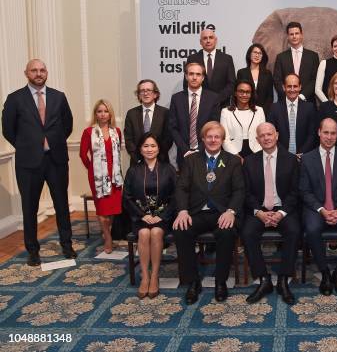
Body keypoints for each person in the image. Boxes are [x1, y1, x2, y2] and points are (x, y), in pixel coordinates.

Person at [1, 59, 76, 266]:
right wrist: (28, 146)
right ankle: (33, 250)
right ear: (26, 73)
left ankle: (67, 245)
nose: (39, 73)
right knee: (30, 207)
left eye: (42, 70)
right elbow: (8, 130)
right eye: (34, 70)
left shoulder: (59, 97)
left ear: (47, 72)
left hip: (56, 159)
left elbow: (67, 125)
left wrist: (53, 142)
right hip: (28, 163)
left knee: (61, 204)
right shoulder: (15, 99)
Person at [173, 121, 245, 304]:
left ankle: (220, 282)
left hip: (222, 212)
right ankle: (193, 282)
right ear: (203, 138)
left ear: (222, 139)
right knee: (181, 230)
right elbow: (181, 188)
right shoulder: (191, 160)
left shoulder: (233, 161)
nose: (213, 140)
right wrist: (182, 211)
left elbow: (239, 190)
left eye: (217, 137)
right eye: (209, 136)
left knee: (227, 232)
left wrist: (231, 211)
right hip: (196, 212)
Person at [299, 118, 337, 296]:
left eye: (333, 133)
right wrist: (322, 210)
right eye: (325, 132)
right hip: (316, 209)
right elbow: (304, 191)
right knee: (312, 230)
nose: (329, 137)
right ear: (319, 132)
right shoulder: (307, 158)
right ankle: (325, 272)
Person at [242, 123, 300, 305]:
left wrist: (281, 213)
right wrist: (258, 212)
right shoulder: (250, 161)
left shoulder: (291, 160)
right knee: (247, 233)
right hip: (259, 210)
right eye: (262, 135)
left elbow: (295, 191)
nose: (266, 138)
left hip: (283, 209)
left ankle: (283, 279)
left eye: (269, 134)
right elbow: (246, 192)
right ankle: (263, 279)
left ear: (277, 135)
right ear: (257, 140)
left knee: (294, 231)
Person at [122, 133, 176, 299]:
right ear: (140, 149)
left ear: (159, 148)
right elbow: (127, 197)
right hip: (140, 217)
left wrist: (163, 215)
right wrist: (141, 215)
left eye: (153, 146)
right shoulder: (133, 170)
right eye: (146, 146)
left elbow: (176, 196)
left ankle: (155, 276)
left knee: (156, 232)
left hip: (163, 217)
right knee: (144, 233)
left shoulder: (169, 169)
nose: (150, 149)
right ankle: (145, 276)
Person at [80, 99, 123, 254]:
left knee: (112, 210)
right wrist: (92, 169)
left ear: (110, 113)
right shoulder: (88, 132)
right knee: (102, 210)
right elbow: (83, 155)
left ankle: (108, 231)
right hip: (98, 177)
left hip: (115, 177)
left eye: (105, 111)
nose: (103, 114)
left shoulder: (116, 131)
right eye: (99, 111)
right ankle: (108, 237)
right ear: (95, 114)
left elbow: (117, 153)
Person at [169, 62, 221, 168]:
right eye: (191, 74)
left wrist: (199, 149)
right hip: (184, 154)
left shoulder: (213, 98)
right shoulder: (176, 98)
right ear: (186, 76)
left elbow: (214, 126)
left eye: (198, 74)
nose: (194, 77)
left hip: (207, 151)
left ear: (202, 78)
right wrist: (185, 150)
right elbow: (173, 128)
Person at [268, 74, 317, 160]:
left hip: (304, 157)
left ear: (300, 87)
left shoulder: (309, 107)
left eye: (295, 86)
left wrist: (302, 153)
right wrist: (285, 154)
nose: (292, 89)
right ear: (283, 87)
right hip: (281, 157)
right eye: (289, 86)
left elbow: (312, 134)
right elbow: (272, 134)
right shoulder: (274, 108)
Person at [124, 79, 171, 166]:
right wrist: (139, 159)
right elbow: (128, 140)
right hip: (137, 163)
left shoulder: (165, 113)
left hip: (160, 163)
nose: (145, 93)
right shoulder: (131, 114)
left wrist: (155, 157)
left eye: (149, 90)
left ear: (155, 94)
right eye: (142, 91)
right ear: (138, 95)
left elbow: (168, 139)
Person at [184, 29, 236, 105]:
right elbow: (187, 83)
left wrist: (218, 99)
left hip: (221, 104)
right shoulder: (192, 59)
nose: (208, 41)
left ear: (215, 40)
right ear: (200, 42)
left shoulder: (227, 59)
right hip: (199, 105)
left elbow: (232, 83)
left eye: (211, 37)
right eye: (205, 38)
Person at [273, 22, 320, 101]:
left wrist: (302, 96)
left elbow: (314, 79)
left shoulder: (313, 56)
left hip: (307, 102)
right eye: (291, 34)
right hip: (285, 103)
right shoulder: (281, 57)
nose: (294, 36)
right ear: (288, 37)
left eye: (297, 33)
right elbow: (277, 80)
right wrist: (288, 97)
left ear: (301, 35)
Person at [220, 80, 266, 159]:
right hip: (233, 154)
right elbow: (224, 139)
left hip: (256, 153)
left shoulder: (259, 111)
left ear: (251, 94)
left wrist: (257, 155)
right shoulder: (226, 112)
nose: (244, 94)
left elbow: (263, 135)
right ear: (235, 93)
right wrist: (236, 156)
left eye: (248, 92)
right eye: (241, 91)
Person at [237, 43, 274, 115]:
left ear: (262, 57)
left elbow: (270, 97)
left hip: (263, 112)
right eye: (255, 52)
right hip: (245, 111)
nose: (257, 55)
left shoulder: (268, 74)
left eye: (260, 53)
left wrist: (263, 112)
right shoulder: (241, 72)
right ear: (249, 54)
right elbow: (239, 94)